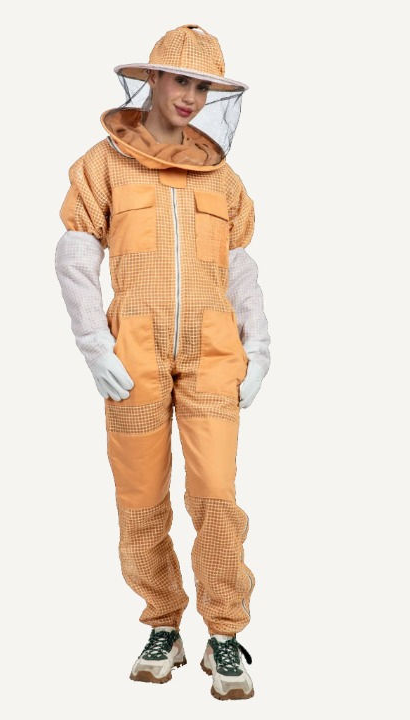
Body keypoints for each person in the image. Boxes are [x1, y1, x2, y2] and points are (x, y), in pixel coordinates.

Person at [55, 23, 271, 701]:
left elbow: (239, 268)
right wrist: (94, 344)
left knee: (215, 496)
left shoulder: (222, 176)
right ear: (150, 79)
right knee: (140, 497)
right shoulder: (104, 163)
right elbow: (76, 255)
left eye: (203, 86)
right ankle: (162, 623)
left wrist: (259, 346)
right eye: (180, 80)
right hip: (134, 355)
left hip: (213, 355)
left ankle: (224, 633)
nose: (191, 97)